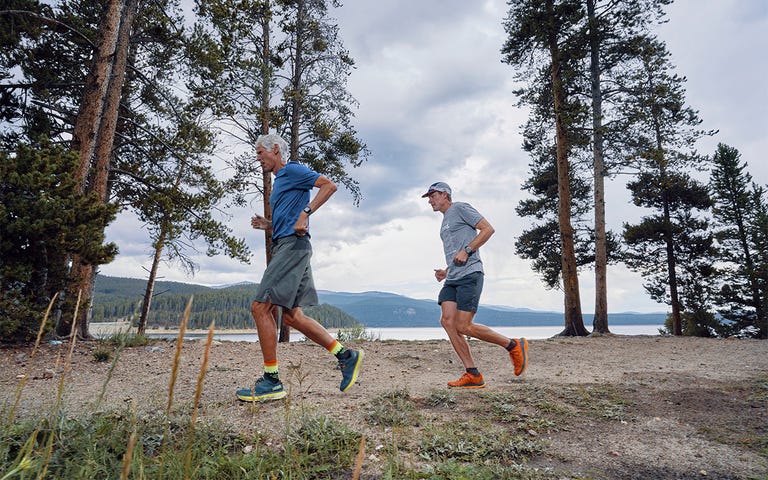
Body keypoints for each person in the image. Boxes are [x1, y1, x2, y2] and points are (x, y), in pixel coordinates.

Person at [236, 133, 364, 402]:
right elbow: (288, 217)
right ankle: (346, 355)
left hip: (292, 246)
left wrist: (306, 213)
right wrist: (268, 225)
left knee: (260, 307)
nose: (257, 158)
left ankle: (271, 381)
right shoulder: (280, 181)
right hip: (290, 244)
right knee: (292, 316)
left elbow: (329, 185)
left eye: (260, 153)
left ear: (274, 150)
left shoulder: (293, 170)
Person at [422, 181, 528, 389]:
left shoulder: (460, 208)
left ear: (445, 195)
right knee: (447, 321)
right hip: (453, 277)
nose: (430, 201)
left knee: (463, 326)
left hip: (471, 273)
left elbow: (488, 229)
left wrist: (468, 251)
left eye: (433, 196)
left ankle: (513, 345)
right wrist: (446, 270)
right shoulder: (444, 222)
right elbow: (456, 252)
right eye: (429, 198)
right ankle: (473, 374)